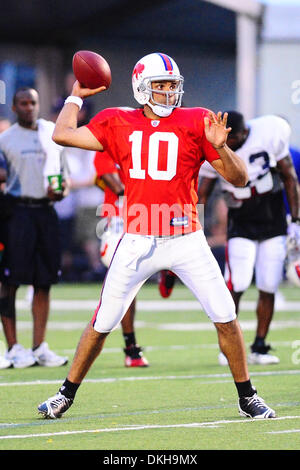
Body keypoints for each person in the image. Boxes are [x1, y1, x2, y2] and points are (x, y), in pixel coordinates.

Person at [38, 52, 275, 420]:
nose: (168, 93)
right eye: (160, 86)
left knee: (226, 316)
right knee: (103, 322)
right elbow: (62, 133)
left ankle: (248, 396)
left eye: (172, 86)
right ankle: (65, 394)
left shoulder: (198, 120)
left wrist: (222, 147)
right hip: (137, 239)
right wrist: (76, 96)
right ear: (141, 88)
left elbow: (240, 179)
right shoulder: (116, 120)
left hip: (186, 239)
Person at [198, 111, 300, 366]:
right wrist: (195, 224)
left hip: (272, 220)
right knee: (237, 283)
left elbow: (289, 176)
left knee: (268, 285)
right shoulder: (215, 146)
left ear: (243, 133)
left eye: (233, 140)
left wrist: (296, 221)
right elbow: (203, 193)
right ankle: (228, 346)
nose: (229, 144)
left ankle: (259, 345)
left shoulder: (269, 133)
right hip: (240, 223)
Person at [0, 87, 69, 368]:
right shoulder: (4, 140)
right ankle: (13, 347)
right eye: (23, 103)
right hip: (16, 213)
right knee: (10, 281)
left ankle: (39, 346)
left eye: (33, 102)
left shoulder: (51, 134)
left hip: (46, 212)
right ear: (15, 108)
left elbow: (64, 178)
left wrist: (61, 191)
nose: (29, 107)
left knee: (44, 282)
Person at [94, 149, 149, 367]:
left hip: (145, 219)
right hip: (117, 224)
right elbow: (118, 188)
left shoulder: (143, 149)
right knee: (125, 283)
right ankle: (131, 347)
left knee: (128, 284)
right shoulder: (104, 153)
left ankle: (167, 272)